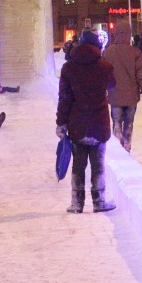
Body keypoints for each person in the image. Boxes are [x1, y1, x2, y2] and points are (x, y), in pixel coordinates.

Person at [56, 28, 117, 213]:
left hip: (77, 124)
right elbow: (112, 84)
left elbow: (64, 98)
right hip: (98, 123)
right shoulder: (105, 66)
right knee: (98, 165)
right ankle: (99, 202)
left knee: (78, 165)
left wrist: (61, 123)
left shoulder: (68, 68)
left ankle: (77, 203)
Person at [102, 20, 142, 152]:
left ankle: (118, 142)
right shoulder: (135, 52)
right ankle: (127, 144)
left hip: (114, 95)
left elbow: (103, 74)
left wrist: (102, 91)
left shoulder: (108, 52)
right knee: (129, 123)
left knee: (116, 121)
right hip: (131, 96)